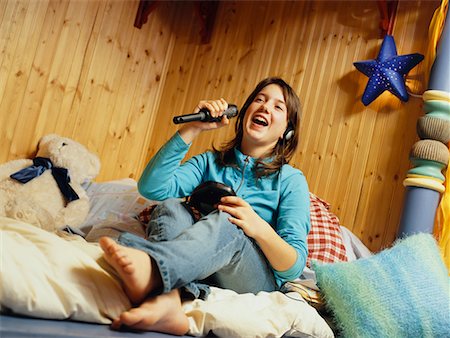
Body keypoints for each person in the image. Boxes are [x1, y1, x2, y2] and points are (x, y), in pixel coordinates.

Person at [99, 77, 311, 335]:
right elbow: (152, 188)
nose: (266, 107)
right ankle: (167, 301)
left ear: (286, 131)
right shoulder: (209, 163)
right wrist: (193, 128)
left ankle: (153, 267)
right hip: (198, 263)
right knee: (170, 207)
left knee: (227, 221)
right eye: (260, 99)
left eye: (279, 107)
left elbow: (294, 265)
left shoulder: (290, 180)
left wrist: (256, 227)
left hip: (252, 278)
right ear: (243, 114)